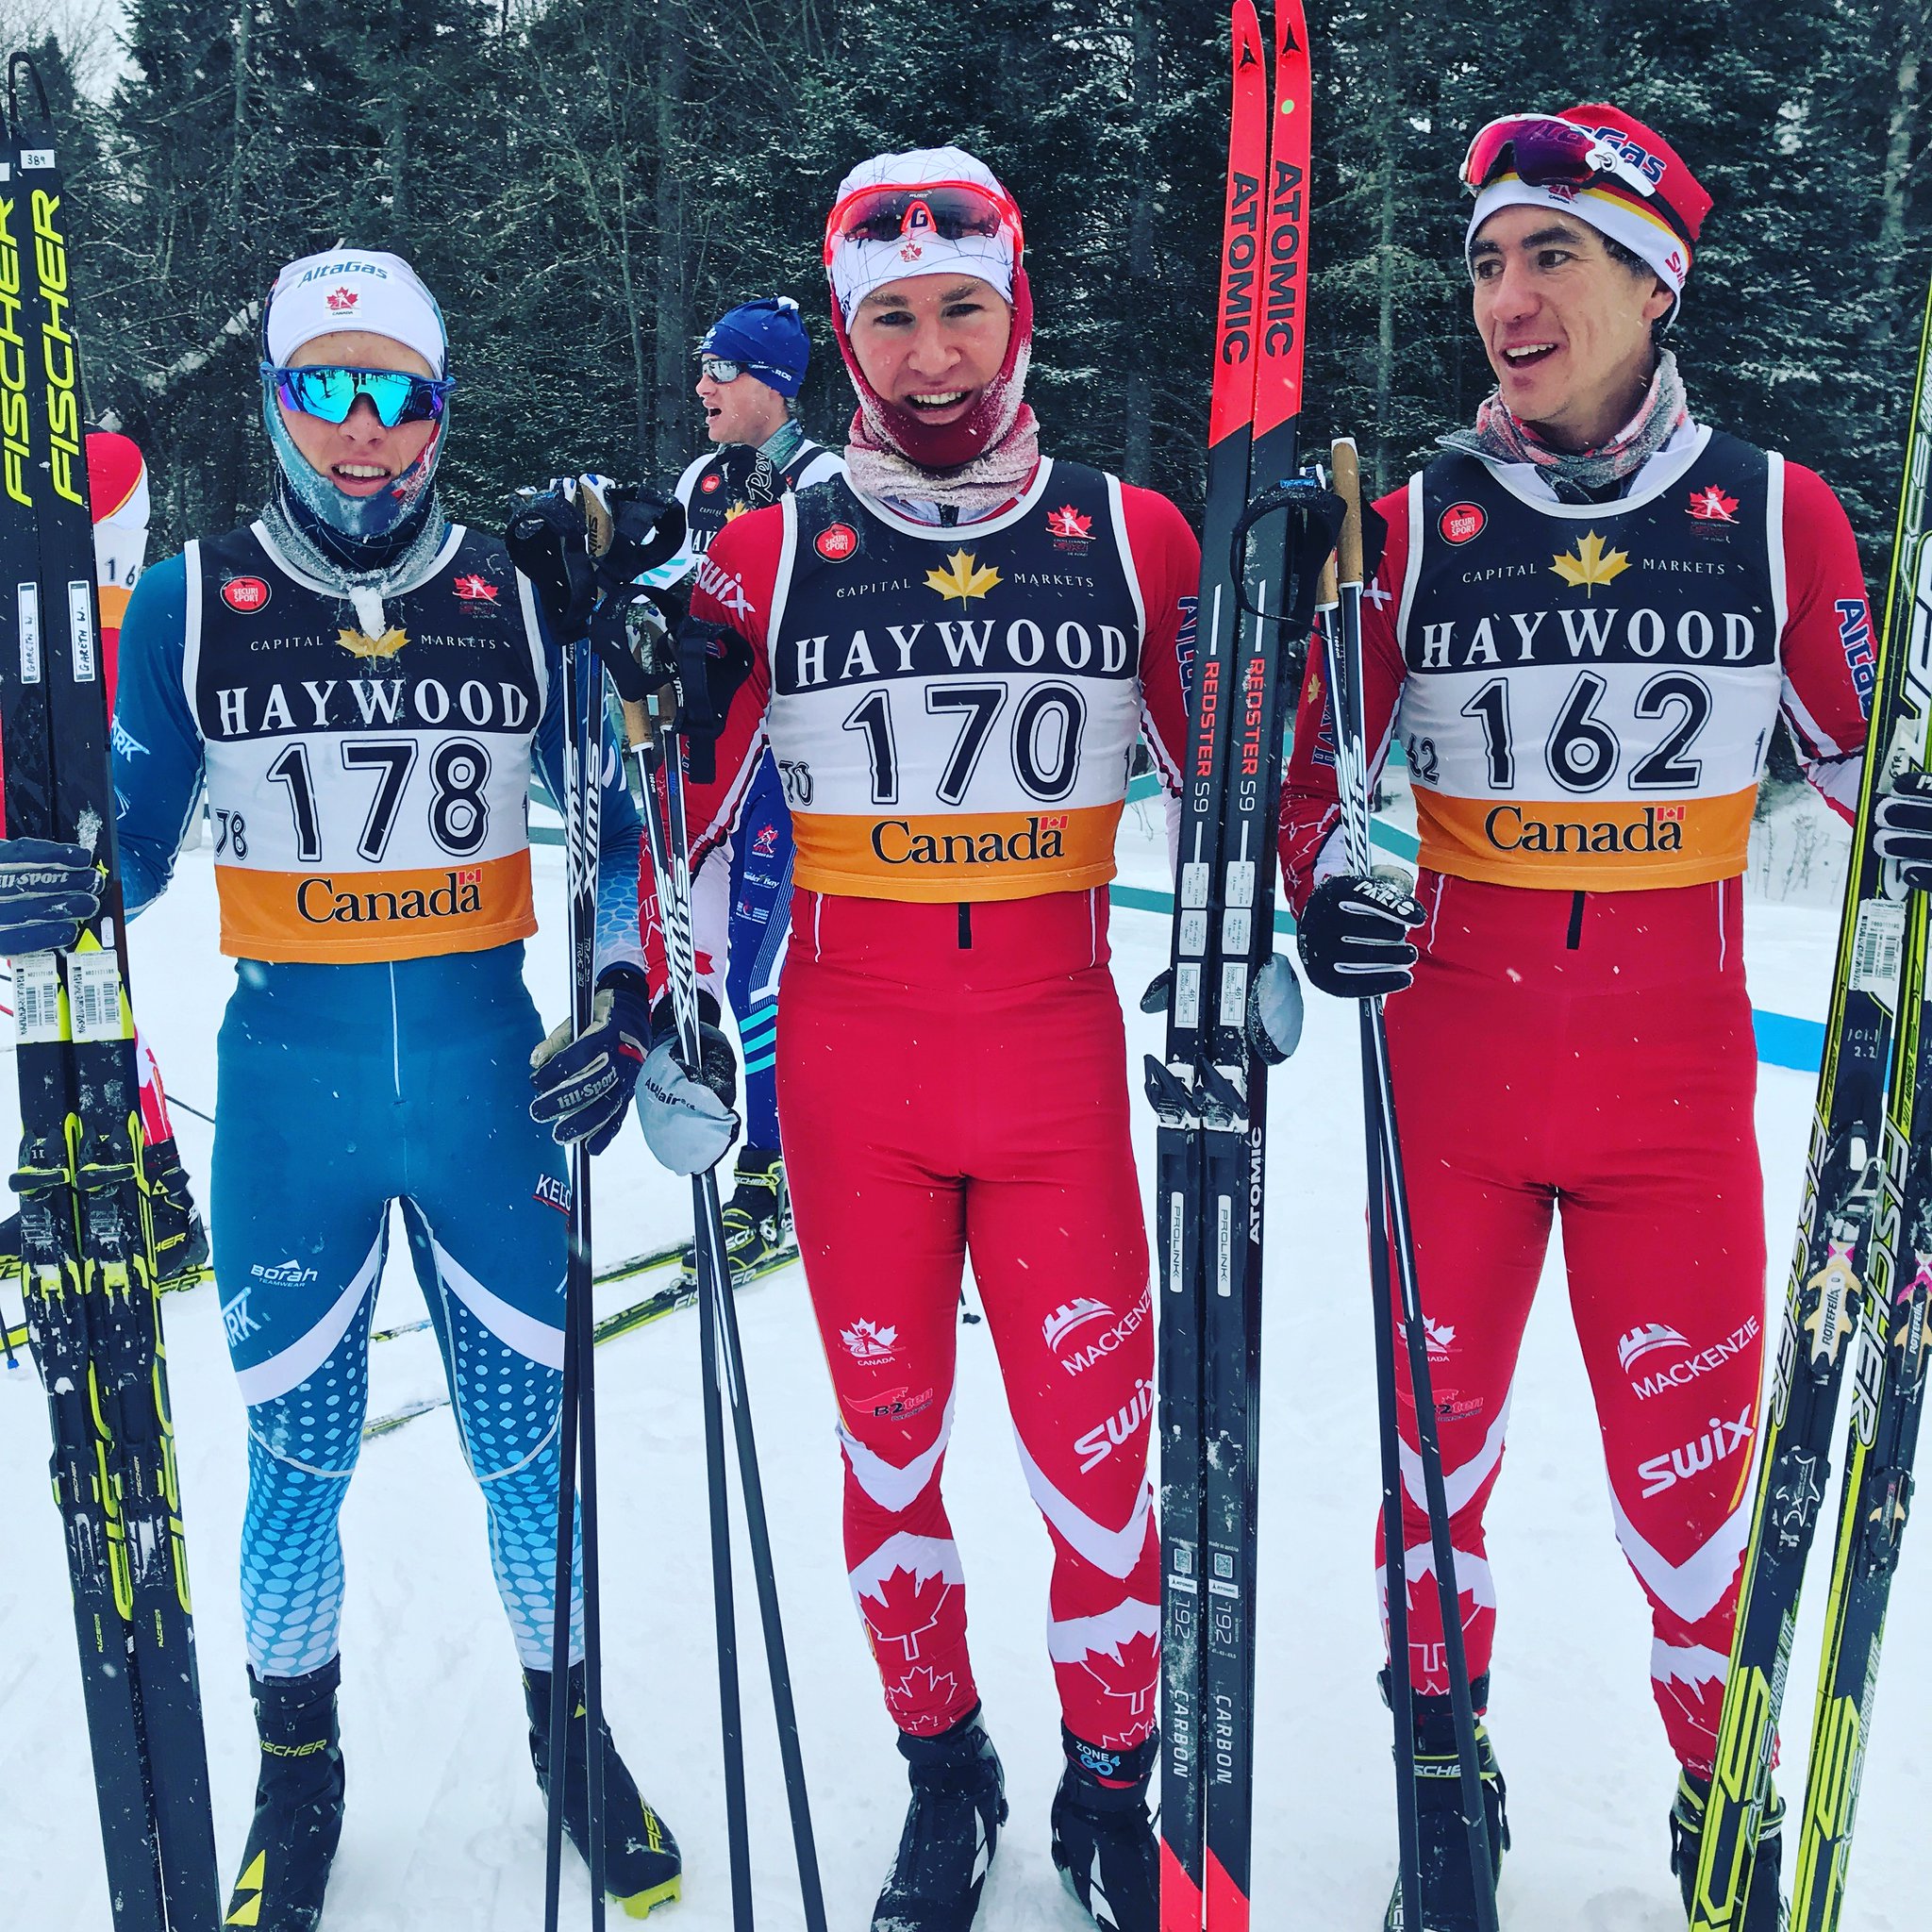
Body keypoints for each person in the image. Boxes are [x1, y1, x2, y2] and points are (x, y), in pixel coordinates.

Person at [1279, 106, 1932, 1930]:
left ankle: (1715, 1803)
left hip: (1667, 1101)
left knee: (1697, 1513)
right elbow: (1312, 790)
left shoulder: (1776, 510)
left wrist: (1910, 804)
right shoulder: (1405, 523)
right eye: (1486, 259)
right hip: (1455, 1084)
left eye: (1549, 254)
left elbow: (1863, 749)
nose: (1505, 294)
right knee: (1431, 1473)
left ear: (1656, 280)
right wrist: (1320, 890)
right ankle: (1438, 1778)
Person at [0, 248, 681, 1929]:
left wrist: (615, 994)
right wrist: (44, 844)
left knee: (529, 1454)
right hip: (291, 1097)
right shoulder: (192, 600)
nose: (364, 434)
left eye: (400, 394)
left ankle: (565, 1731)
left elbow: (616, 834)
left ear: (438, 408)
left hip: (486, 1086)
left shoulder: (521, 594)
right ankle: (297, 1771)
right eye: (327, 390)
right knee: (297, 1455)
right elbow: (131, 860)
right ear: (279, 401)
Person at [630, 147, 1201, 1932]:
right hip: (857, 1077)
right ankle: (942, 1775)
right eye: (893, 316)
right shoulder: (767, 545)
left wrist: (1294, 646)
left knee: (1098, 1464)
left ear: (1014, 310)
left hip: (1049, 1069)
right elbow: (678, 829)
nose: (934, 352)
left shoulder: (1129, 530)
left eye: (964, 308)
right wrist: (663, 990)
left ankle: (1111, 1784)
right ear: (846, 337)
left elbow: (1254, 789)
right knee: (889, 1459)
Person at [0, 430, 208, 1283]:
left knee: (85, 996)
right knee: (73, 1002)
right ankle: (145, 1191)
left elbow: (114, 473)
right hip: (33, 780)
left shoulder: (98, 467)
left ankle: (153, 1198)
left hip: (67, 793)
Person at [662, 296, 841, 1283]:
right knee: (696, 959)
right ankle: (737, 1122)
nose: (703, 387)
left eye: (721, 371)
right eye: (702, 367)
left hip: (784, 763)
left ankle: (767, 1172)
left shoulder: (828, 483)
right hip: (702, 760)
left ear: (773, 382)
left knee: (758, 976)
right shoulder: (700, 479)